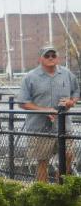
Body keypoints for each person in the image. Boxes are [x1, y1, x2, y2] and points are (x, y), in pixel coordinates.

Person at [18, 45, 80, 182]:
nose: (51, 58)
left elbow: (77, 91)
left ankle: (59, 187)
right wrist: (45, 110)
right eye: (47, 56)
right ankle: (42, 193)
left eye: (53, 55)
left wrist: (72, 102)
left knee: (69, 155)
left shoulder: (67, 74)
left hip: (64, 126)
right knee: (42, 162)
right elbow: (22, 102)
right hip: (40, 128)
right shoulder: (30, 77)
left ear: (57, 58)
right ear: (40, 59)